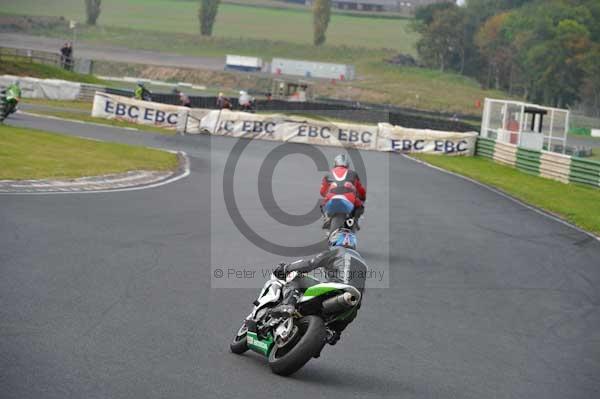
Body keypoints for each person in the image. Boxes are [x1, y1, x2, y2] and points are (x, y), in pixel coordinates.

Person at [270, 229, 366, 345]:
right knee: (351, 311)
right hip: (352, 302)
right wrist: (339, 330)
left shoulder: (335, 250)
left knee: (296, 279)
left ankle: (287, 305)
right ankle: (333, 332)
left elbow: (309, 264)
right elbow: (360, 293)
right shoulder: (363, 262)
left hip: (334, 288)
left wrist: (286, 268)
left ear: (334, 240)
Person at [320, 154, 366, 230]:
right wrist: (363, 197)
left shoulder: (328, 174)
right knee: (360, 206)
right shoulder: (353, 174)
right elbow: (360, 190)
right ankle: (354, 221)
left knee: (323, 204)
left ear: (335, 163)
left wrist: (328, 194)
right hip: (348, 199)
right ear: (347, 164)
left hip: (331, 199)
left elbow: (322, 192)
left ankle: (326, 218)